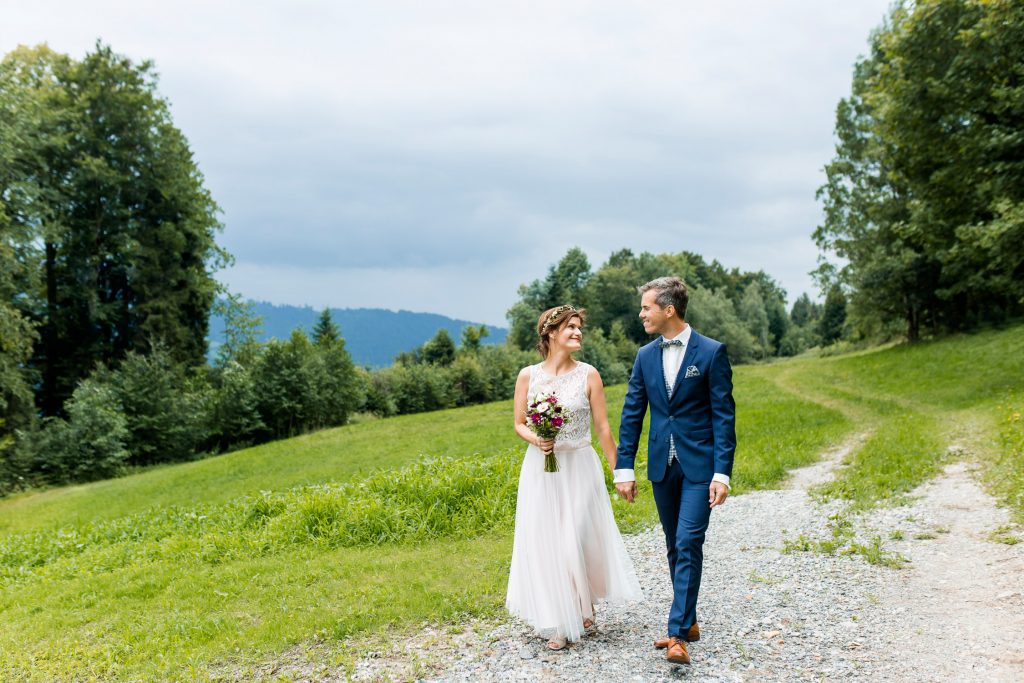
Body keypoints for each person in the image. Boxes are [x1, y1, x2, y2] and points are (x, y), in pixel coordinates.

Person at [614, 277, 736, 665]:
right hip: (661, 468)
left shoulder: (712, 353)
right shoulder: (644, 356)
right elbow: (633, 413)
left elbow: (724, 416)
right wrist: (624, 467)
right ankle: (691, 618)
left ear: (669, 309)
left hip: (700, 466)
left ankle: (677, 634)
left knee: (687, 542)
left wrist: (722, 474)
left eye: (646, 307)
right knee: (673, 545)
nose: (641, 314)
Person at [506, 304, 643, 650]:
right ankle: (564, 619)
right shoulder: (528, 375)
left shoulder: (589, 375)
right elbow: (519, 423)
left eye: (580, 328)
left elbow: (603, 428)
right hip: (542, 469)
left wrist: (621, 472)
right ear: (550, 333)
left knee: (575, 538)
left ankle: (581, 606)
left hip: (581, 467)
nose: (577, 333)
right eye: (570, 328)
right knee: (549, 541)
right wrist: (538, 439)